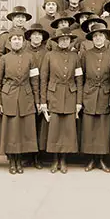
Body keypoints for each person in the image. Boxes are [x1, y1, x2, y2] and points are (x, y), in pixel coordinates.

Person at [0, 31, 40, 175]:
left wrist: (37, 101)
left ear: (23, 42)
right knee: (11, 131)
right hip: (9, 97)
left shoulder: (30, 58)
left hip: (26, 97)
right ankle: (12, 161)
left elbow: (35, 80)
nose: (17, 42)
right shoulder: (4, 59)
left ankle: (20, 160)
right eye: (14, 39)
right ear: (9, 42)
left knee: (22, 131)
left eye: (19, 39)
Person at [40, 27, 83, 174]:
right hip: (54, 95)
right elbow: (43, 80)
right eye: (62, 39)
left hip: (70, 95)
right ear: (57, 41)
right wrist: (43, 101)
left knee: (67, 130)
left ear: (70, 41)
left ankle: (64, 160)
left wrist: (79, 101)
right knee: (55, 129)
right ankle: (54, 160)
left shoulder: (75, 57)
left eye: (67, 39)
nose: (64, 42)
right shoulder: (49, 56)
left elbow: (79, 79)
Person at [80, 23, 110, 172]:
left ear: (105, 38)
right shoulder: (85, 54)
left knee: (102, 128)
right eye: (95, 36)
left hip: (105, 94)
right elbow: (80, 76)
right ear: (92, 39)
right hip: (89, 93)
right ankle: (90, 159)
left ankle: (101, 159)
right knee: (89, 128)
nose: (98, 39)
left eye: (101, 36)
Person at [25, 23, 51, 168]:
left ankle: (38, 156)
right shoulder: (24, 51)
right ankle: (28, 155)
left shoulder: (47, 52)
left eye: (39, 35)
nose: (36, 37)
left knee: (42, 125)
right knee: (29, 124)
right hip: (27, 91)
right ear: (29, 37)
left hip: (44, 89)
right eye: (34, 35)